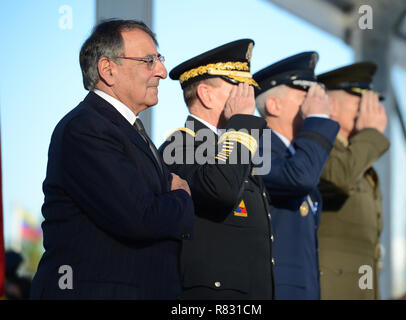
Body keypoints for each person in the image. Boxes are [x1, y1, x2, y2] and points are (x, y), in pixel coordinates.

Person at [30, 19, 194, 300]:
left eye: (159, 59)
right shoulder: (86, 128)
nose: (162, 72)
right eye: (149, 60)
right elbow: (141, 217)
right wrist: (182, 196)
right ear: (108, 70)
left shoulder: (127, 131)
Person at [159, 39, 273, 299]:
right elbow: (220, 190)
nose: (247, 97)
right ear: (205, 94)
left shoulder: (239, 144)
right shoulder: (179, 145)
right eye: (237, 86)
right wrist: (242, 124)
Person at [253, 52, 340, 299]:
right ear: (273, 105)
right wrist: (318, 119)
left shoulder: (296, 156)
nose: (314, 103)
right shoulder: (256, 149)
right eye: (304, 96)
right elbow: (298, 178)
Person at [316, 62, 390, 300]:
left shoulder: (359, 158)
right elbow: (339, 178)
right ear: (332, 106)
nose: (371, 112)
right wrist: (371, 135)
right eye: (360, 104)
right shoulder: (318, 149)